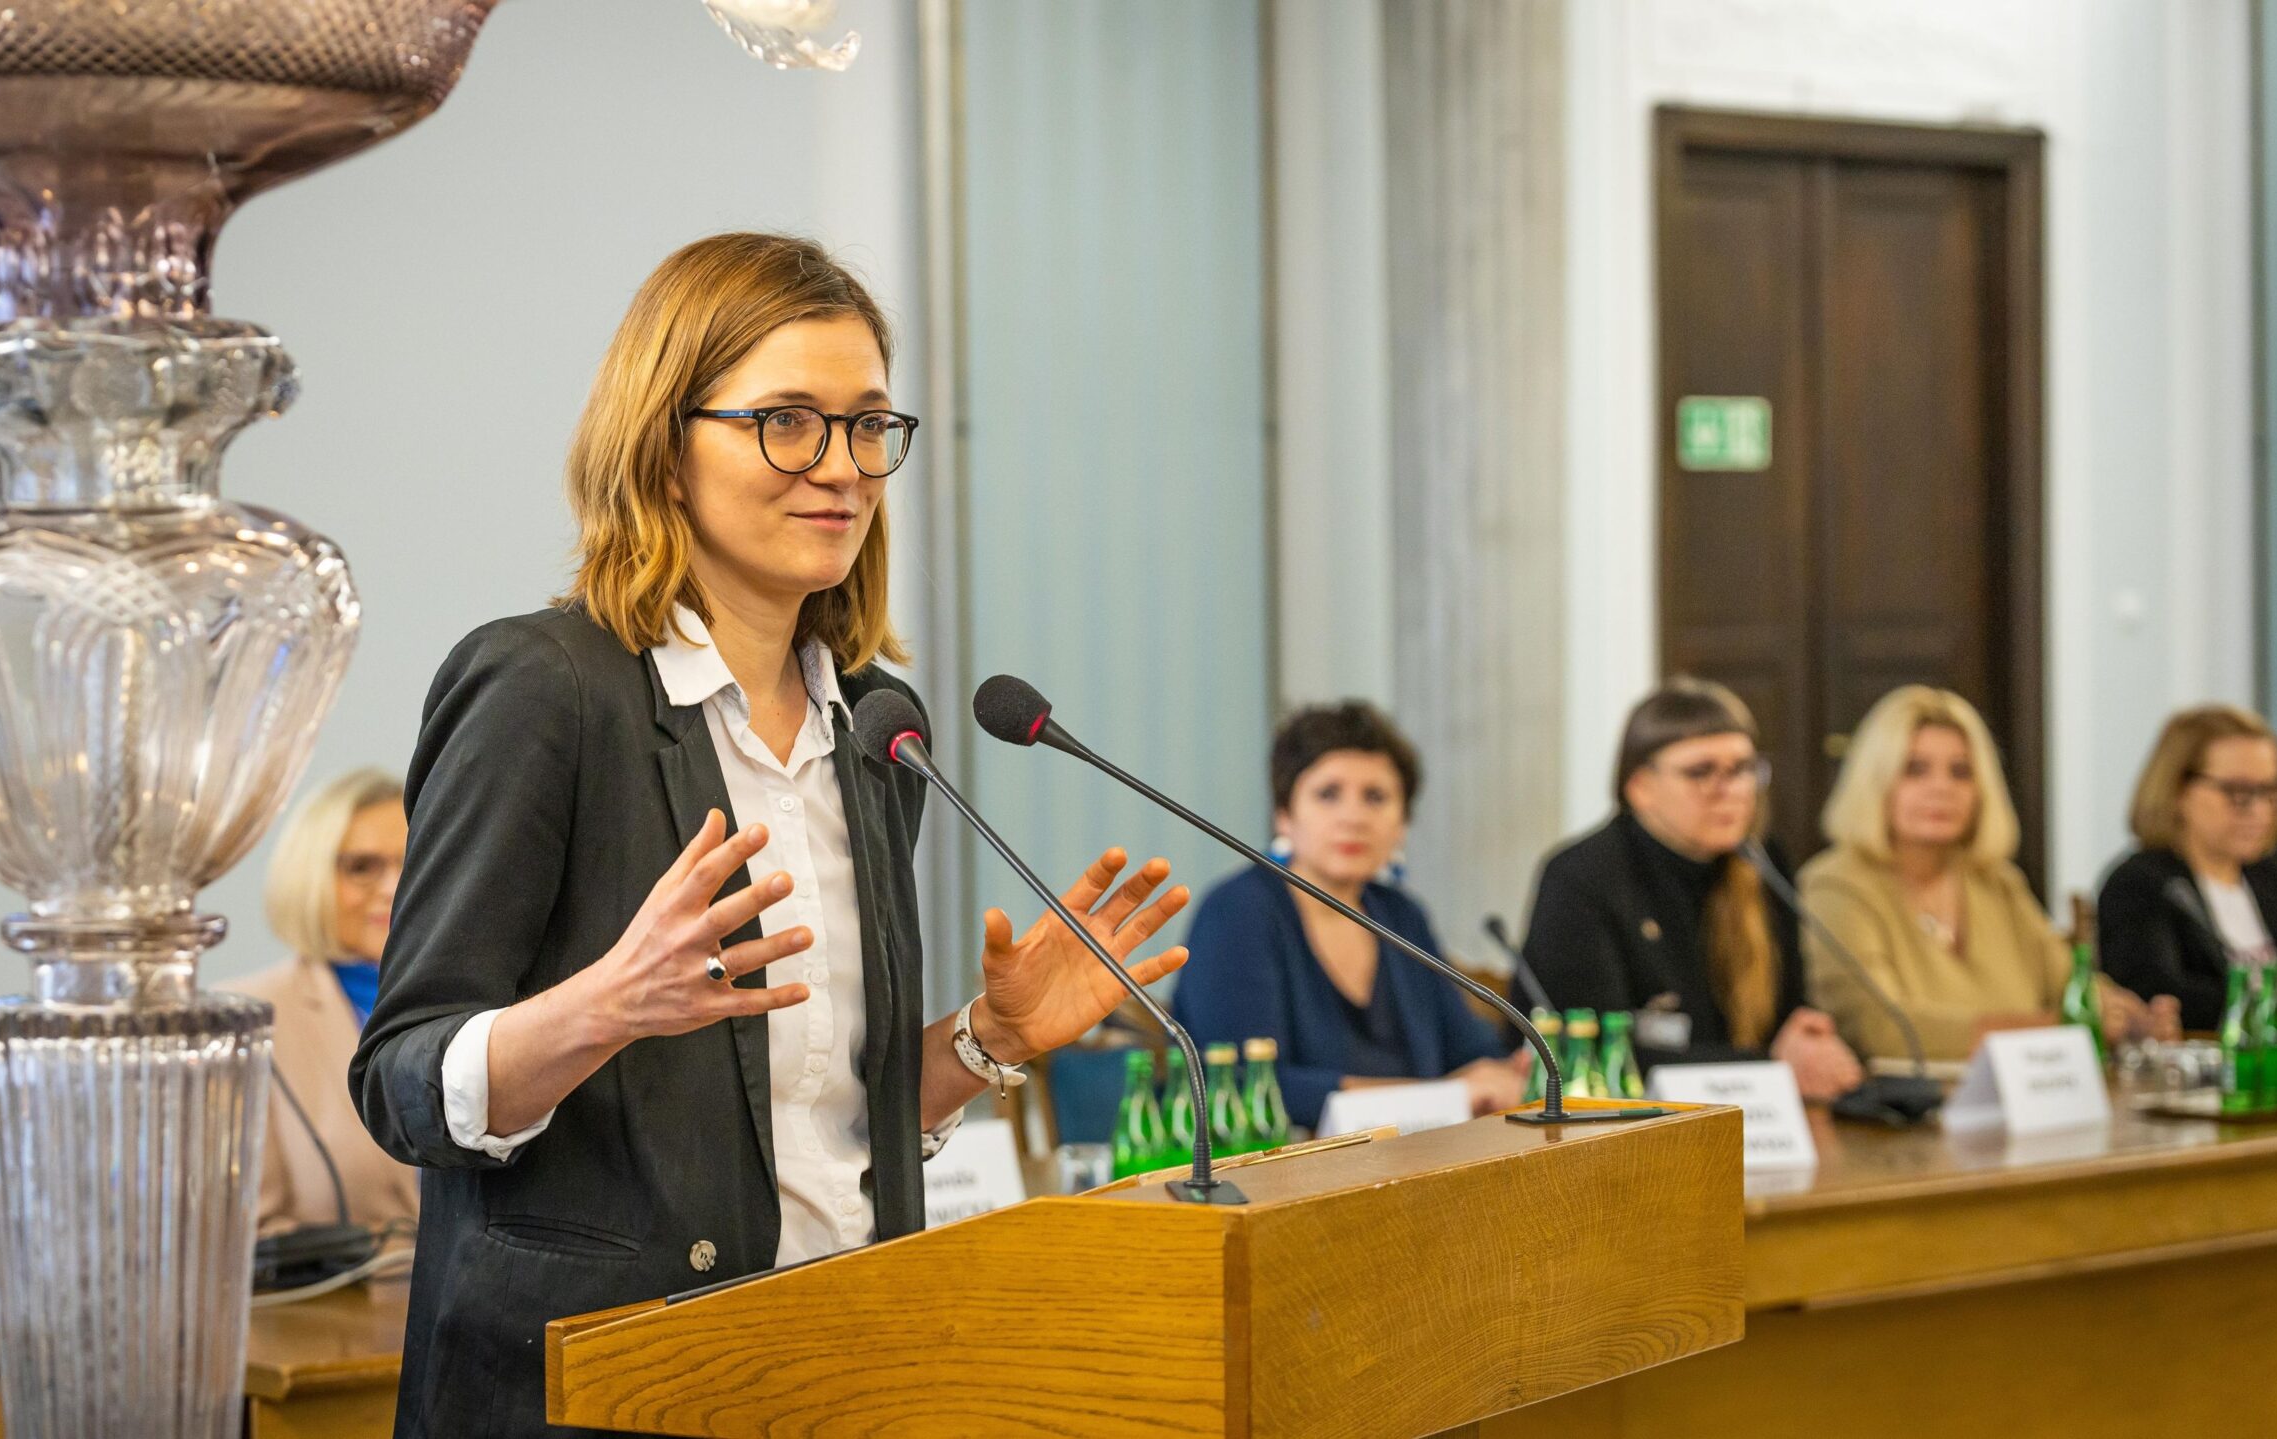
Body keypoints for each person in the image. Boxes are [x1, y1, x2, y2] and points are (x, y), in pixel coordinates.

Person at [349, 233, 1190, 1439]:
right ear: (664, 442)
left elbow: (811, 1117)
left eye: (866, 425)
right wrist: (606, 1003)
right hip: (599, 1391)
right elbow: (402, 1084)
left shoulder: (874, 728)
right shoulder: (547, 689)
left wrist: (982, 1040)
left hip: (840, 1366)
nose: (840, 467)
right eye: (787, 421)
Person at [1175, 701, 1530, 1131]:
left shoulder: (1401, 915)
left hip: (1412, 1166)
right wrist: (1439, 1096)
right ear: (1285, 816)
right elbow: (1245, 1085)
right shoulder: (1236, 912)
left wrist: (1502, 1073)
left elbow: (1468, 1050)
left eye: (1376, 797)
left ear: (1402, 825)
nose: (1353, 817)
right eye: (1328, 794)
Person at [1522, 679, 1864, 1101]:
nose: (1731, 791)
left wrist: (1809, 1038)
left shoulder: (1763, 863)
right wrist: (1770, 1066)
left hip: (1755, 1117)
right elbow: (1595, 1052)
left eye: (1742, 769)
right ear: (1640, 787)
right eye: (1701, 772)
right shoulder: (1581, 876)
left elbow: (1787, 1014)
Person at [1800, 685, 2165, 1060]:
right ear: (1875, 782)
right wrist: (2064, 1028)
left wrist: (2127, 1013)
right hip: (1904, 1113)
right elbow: (1884, 1031)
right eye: (1915, 769)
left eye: (1961, 772)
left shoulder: (1997, 882)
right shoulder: (1837, 884)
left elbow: (2070, 984)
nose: (1941, 788)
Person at [226, 768, 422, 1236]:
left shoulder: (489, 1002)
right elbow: (248, 1235)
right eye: (362, 867)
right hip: (334, 1306)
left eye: (416, 861)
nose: (395, 889)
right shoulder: (248, 1019)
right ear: (308, 877)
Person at [2098, 705, 2277, 1031]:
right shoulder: (2139, 883)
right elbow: (2157, 994)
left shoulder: (2272, 877)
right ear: (2178, 790)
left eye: (2271, 791)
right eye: (2239, 792)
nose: (2260, 810)